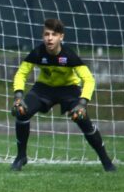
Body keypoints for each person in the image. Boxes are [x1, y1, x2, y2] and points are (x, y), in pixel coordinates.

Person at [10, 18, 116, 172]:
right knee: (21, 112)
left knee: (84, 120)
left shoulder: (69, 56)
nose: (49, 38)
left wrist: (82, 104)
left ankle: (106, 162)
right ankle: (21, 157)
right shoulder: (38, 52)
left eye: (54, 34)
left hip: (69, 90)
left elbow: (88, 80)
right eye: (46, 34)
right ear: (42, 36)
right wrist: (18, 96)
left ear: (61, 37)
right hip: (43, 89)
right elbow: (21, 73)